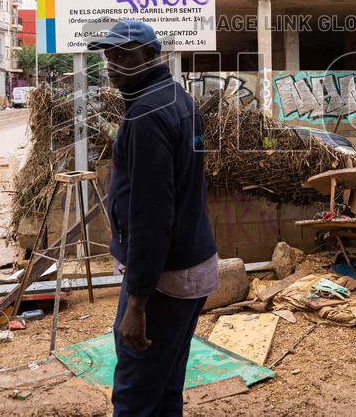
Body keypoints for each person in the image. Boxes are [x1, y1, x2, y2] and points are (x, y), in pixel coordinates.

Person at [87, 20, 218, 417]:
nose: (112, 65)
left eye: (123, 55)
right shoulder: (175, 97)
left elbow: (151, 217)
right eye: (109, 55)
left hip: (164, 278)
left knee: (135, 397)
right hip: (193, 264)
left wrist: (137, 304)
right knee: (165, 385)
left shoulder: (147, 114)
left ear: (149, 56)